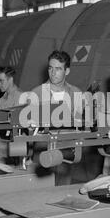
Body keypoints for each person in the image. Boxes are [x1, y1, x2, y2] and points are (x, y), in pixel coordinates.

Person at [29, 50, 83, 185]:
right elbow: (29, 126)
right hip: (43, 151)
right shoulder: (36, 93)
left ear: (67, 71)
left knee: (61, 191)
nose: (53, 73)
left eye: (58, 69)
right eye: (50, 68)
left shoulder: (76, 93)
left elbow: (79, 122)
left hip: (66, 152)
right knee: (40, 193)